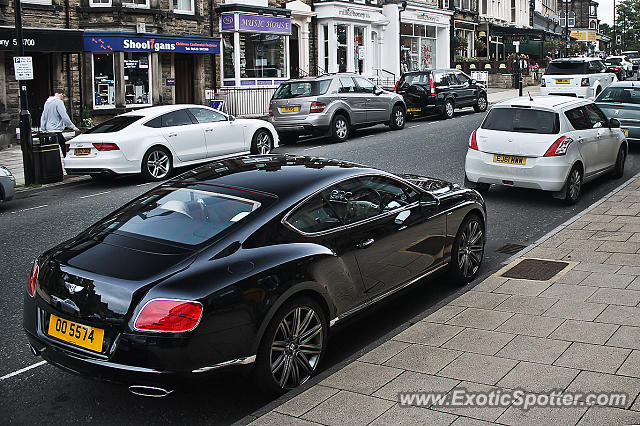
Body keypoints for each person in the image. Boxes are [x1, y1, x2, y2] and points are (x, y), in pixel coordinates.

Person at [40, 88, 79, 157]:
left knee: (62, 144)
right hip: (56, 129)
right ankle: (58, 161)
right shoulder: (59, 102)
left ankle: (66, 157)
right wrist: (72, 127)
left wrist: (43, 128)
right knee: (55, 149)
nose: (63, 97)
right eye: (63, 95)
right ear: (61, 94)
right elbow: (64, 116)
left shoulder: (47, 102)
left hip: (49, 129)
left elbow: (44, 116)